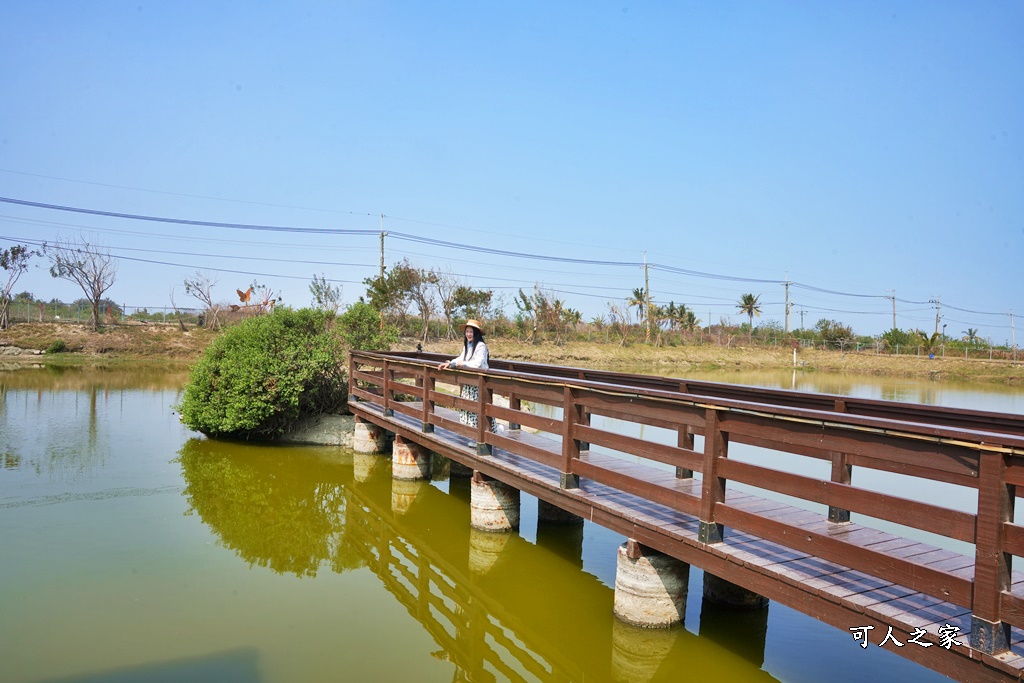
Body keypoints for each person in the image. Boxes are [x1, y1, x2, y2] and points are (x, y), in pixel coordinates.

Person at [438, 319, 499, 432]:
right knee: (468, 408)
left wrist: (464, 363)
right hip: (469, 382)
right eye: (467, 332)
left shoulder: (481, 346)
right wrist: (450, 363)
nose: (469, 334)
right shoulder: (467, 345)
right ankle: (473, 434)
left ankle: (491, 431)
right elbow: (461, 358)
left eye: (471, 332)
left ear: (476, 333)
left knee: (479, 408)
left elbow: (478, 363)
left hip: (480, 382)